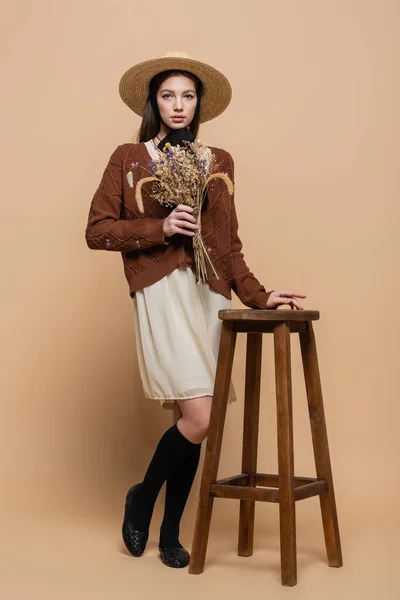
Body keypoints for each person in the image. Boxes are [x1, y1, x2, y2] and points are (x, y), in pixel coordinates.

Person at [85, 51, 306, 569]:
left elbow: (229, 245)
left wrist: (258, 293)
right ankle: (142, 496)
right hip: (161, 292)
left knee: (192, 418)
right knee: (201, 418)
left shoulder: (219, 161)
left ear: (198, 103)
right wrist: (156, 230)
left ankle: (169, 532)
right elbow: (96, 231)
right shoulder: (129, 156)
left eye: (187, 96)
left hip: (209, 294)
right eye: (168, 95)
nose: (178, 105)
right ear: (153, 102)